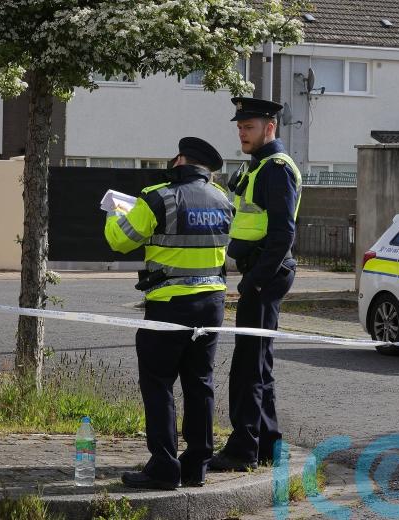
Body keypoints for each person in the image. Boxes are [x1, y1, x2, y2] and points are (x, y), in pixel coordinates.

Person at [105, 137, 233, 490]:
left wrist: (115, 212)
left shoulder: (158, 197)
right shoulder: (223, 199)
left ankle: (164, 466)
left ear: (179, 160)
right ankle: (197, 466)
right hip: (213, 303)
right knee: (200, 382)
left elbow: (120, 240)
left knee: (158, 382)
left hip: (169, 304)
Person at [210, 97, 302, 471]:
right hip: (262, 272)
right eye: (239, 127)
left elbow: (283, 234)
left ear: (270, 127)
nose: (242, 133)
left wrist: (254, 282)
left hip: (266, 274)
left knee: (248, 366)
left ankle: (242, 450)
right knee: (258, 364)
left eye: (248, 127)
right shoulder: (259, 166)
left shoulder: (276, 169)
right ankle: (268, 446)